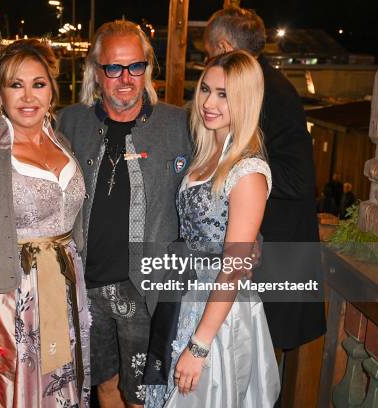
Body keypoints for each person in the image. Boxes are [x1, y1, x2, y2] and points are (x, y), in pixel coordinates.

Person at [0, 39, 91, 407]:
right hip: (11, 300)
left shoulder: (64, 144)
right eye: (15, 85)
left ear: (52, 92)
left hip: (66, 290)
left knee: (62, 388)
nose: (28, 96)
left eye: (38, 84)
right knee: (14, 393)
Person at [57, 20, 191, 407]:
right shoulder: (70, 122)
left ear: (148, 67)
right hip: (87, 285)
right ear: (96, 72)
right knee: (104, 387)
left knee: (141, 396)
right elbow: (26, 144)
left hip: (146, 289)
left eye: (136, 66)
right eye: (113, 68)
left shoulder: (179, 125)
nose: (126, 79)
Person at [146, 50, 280, 407]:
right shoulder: (207, 154)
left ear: (245, 101)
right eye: (205, 89)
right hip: (185, 293)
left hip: (218, 310)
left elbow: (234, 267)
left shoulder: (247, 170)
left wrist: (201, 344)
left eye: (224, 94)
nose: (208, 102)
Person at [204, 6, 326, 350]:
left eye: (210, 54)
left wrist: (237, 170)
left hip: (276, 260)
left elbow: (298, 179)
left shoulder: (274, 92)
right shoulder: (260, 85)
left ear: (226, 48)